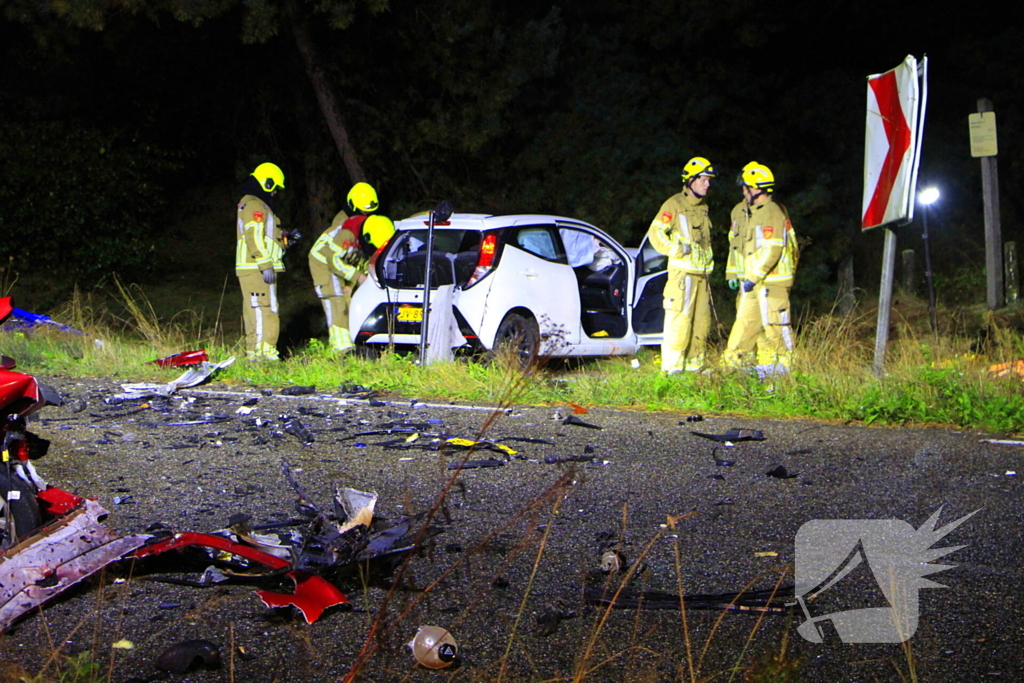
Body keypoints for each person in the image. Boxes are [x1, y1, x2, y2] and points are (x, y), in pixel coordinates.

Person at [721, 162, 799, 376]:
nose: (743, 192)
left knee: (776, 327)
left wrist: (753, 277)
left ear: (755, 188)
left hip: (772, 282)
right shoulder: (749, 212)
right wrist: (735, 274)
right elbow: (739, 247)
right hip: (752, 282)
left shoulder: (772, 212)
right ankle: (730, 369)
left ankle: (787, 371)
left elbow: (773, 250)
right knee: (744, 324)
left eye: (745, 188)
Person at [646, 156, 716, 374]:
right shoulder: (674, 204)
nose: (708, 184)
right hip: (682, 276)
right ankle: (673, 368)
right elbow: (655, 232)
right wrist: (675, 250)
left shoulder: (703, 207)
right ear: (691, 180)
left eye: (708, 180)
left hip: (702, 275)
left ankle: (695, 366)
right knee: (679, 320)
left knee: (701, 323)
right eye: (703, 179)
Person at [308, 182, 393, 352]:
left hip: (338, 262)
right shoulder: (347, 229)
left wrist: (350, 284)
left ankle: (347, 342)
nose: (366, 213)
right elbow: (334, 260)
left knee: (346, 301)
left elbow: (357, 259)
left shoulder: (369, 227)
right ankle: (340, 348)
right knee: (336, 300)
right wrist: (357, 277)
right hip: (324, 262)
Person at [236, 162, 287, 361]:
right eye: (274, 188)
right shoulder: (255, 205)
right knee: (261, 308)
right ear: (267, 183)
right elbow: (254, 236)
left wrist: (285, 240)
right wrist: (265, 264)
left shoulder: (257, 205)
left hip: (258, 267)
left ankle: (260, 353)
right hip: (256, 268)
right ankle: (261, 355)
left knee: (263, 308)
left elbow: (265, 236)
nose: (275, 193)